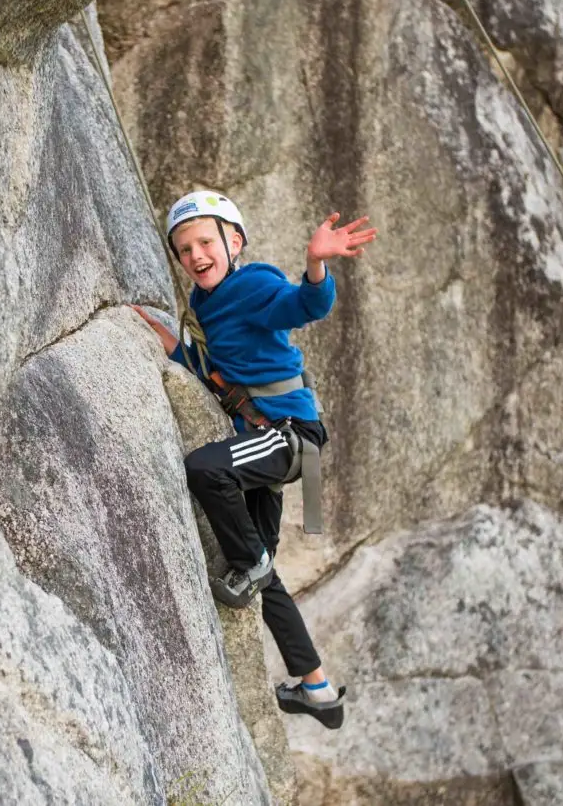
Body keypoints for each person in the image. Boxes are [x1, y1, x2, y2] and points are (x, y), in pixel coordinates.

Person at [132, 190, 376, 729]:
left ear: (233, 241)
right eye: (183, 249)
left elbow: (305, 305)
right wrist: (165, 341)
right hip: (266, 439)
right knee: (266, 582)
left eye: (204, 242)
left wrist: (315, 264)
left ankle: (254, 565)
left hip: (291, 436)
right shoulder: (205, 304)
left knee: (204, 468)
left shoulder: (253, 282)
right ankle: (319, 691)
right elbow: (211, 368)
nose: (195, 255)